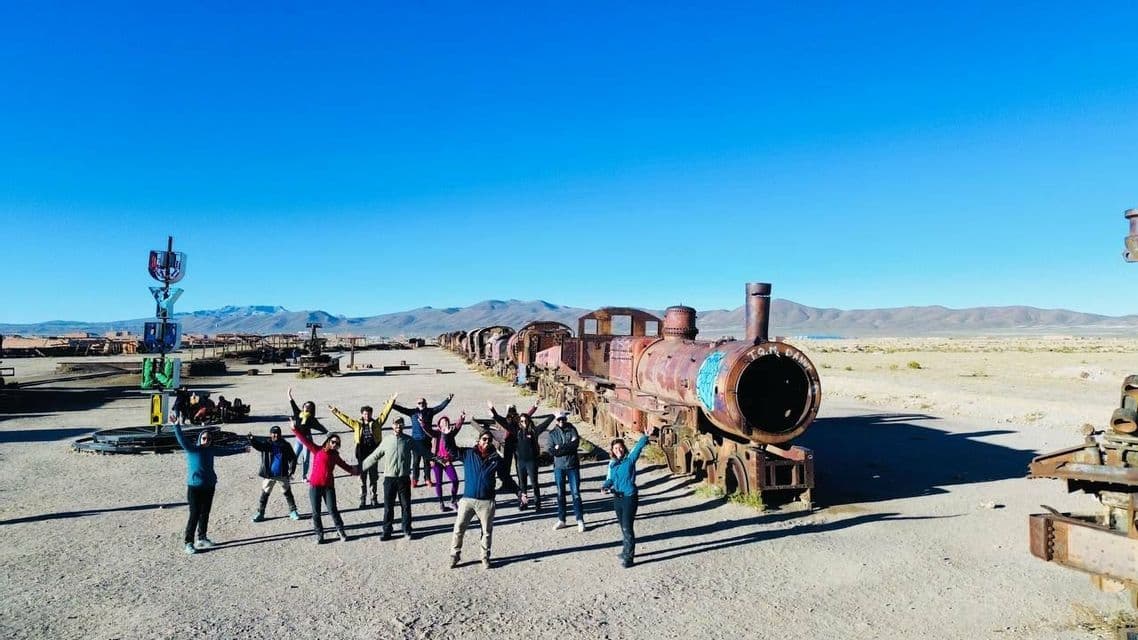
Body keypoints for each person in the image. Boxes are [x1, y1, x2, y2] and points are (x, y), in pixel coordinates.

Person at [292, 418, 358, 544]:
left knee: (333, 510)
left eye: (337, 444)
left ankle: (340, 531)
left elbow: (345, 466)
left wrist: (355, 471)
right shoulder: (317, 450)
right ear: (328, 441)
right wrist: (294, 429)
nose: (335, 445)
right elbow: (304, 441)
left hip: (328, 486)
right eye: (333, 442)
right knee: (316, 512)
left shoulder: (335, 455)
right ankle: (319, 534)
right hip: (315, 486)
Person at [329, 394, 396, 509]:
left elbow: (385, 413)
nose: (367, 415)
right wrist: (335, 411)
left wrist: (391, 401)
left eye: (369, 413)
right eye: (365, 413)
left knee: (374, 478)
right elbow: (346, 419)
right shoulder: (357, 424)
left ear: (371, 414)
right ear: (361, 414)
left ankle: (374, 498)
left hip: (374, 454)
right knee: (362, 479)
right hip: (361, 455)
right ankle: (363, 500)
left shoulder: (377, 423)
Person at [450, 429, 502, 570]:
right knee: (459, 528)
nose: (486, 442)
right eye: (484, 439)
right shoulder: (468, 453)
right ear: (479, 440)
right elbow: (452, 450)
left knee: (486, 532)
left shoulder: (495, 458)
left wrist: (519, 492)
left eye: (489, 440)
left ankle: (484, 557)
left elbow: (506, 478)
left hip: (486, 502)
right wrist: (448, 435)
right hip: (468, 500)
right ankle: (454, 555)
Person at [601, 430, 651, 568]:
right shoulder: (612, 464)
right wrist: (605, 486)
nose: (618, 450)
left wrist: (645, 436)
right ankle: (625, 551)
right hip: (617, 498)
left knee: (627, 527)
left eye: (620, 447)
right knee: (622, 527)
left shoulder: (630, 460)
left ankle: (629, 557)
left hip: (629, 497)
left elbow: (638, 447)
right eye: (615, 448)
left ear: (624, 448)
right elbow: (610, 479)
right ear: (612, 450)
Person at [362, 416, 414, 540]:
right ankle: (387, 531)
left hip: (404, 478)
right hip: (389, 479)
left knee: (406, 506)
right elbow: (374, 456)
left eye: (401, 424)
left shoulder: (408, 440)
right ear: (392, 426)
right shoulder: (386, 440)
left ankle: (407, 530)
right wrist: (360, 468)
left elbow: (423, 451)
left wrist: (437, 459)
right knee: (388, 506)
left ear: (403, 426)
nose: (398, 426)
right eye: (396, 424)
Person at [171, 423, 219, 554]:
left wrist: (243, 449)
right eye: (204, 438)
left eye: (209, 439)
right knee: (194, 514)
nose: (207, 441)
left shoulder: (211, 450)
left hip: (209, 486)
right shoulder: (192, 449)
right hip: (195, 488)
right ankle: (189, 542)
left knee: (205, 513)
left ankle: (202, 538)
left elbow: (227, 451)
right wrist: (176, 426)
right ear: (199, 439)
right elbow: (181, 438)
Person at [392, 394, 453, 487]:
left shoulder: (430, 411)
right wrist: (391, 404)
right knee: (416, 461)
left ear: (426, 403)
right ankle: (415, 479)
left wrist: (448, 400)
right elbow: (402, 409)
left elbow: (440, 407)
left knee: (426, 461)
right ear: (417, 404)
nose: (421, 404)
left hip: (426, 439)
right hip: (415, 441)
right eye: (419, 403)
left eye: (423, 402)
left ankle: (427, 479)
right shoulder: (412, 412)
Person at [248, 425, 300, 522]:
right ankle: (260, 513)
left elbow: (293, 458)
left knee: (288, 493)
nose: (275, 435)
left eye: (277, 433)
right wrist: (252, 440)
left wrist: (291, 470)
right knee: (265, 494)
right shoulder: (267, 444)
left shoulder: (285, 445)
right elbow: (259, 446)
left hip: (282, 474)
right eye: (273, 433)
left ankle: (293, 511)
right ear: (270, 434)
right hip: (269, 475)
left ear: (280, 434)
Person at [486, 401, 536, 500]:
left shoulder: (509, 420)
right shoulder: (516, 419)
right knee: (513, 466)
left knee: (511, 465)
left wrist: (493, 410)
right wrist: (534, 407)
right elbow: (528, 415)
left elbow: (499, 419)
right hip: (514, 443)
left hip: (513, 443)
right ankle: (516, 485)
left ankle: (515, 485)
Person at [548, 411, 585, 532]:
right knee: (560, 494)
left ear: (565, 419)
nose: (561, 421)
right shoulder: (552, 433)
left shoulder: (572, 429)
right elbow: (551, 450)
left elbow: (575, 445)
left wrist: (560, 448)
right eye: (559, 420)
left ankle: (580, 519)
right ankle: (562, 519)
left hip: (572, 466)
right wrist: (566, 448)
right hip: (559, 467)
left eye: (563, 419)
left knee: (575, 493)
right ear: (556, 421)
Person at [422, 413, 466, 511]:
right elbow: (428, 430)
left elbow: (457, 427)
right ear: (439, 424)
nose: (445, 423)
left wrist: (461, 419)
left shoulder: (450, 433)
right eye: (443, 421)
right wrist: (423, 424)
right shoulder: (436, 433)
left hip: (447, 461)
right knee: (439, 482)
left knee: (455, 480)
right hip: (437, 460)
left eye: (447, 421)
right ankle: (441, 503)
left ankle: (453, 501)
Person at [515, 412, 555, 511]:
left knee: (534, 483)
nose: (524, 423)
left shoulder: (533, 431)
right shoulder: (518, 432)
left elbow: (544, 424)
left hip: (531, 462)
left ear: (529, 421)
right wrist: (494, 414)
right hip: (521, 462)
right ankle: (523, 502)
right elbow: (505, 425)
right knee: (522, 484)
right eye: (522, 421)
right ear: (520, 422)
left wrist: (553, 416)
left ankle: (538, 503)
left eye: (525, 420)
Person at [289, 387, 328, 481]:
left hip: (307, 439)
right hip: (298, 439)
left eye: (309, 406)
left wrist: (327, 432)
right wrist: (289, 394)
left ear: (311, 409)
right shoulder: (298, 413)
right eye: (306, 405)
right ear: (303, 406)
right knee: (293, 457)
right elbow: (292, 403)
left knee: (306, 459)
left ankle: (304, 476)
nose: (307, 406)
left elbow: (319, 426)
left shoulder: (311, 418)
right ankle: (290, 474)